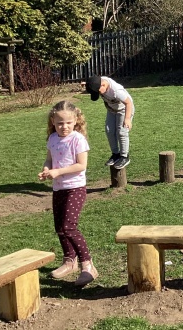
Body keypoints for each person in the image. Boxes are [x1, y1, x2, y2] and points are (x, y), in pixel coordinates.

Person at [38, 100, 98, 287]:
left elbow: (81, 165)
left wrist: (58, 172)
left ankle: (88, 266)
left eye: (68, 123)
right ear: (53, 122)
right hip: (58, 188)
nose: (64, 127)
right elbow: (49, 159)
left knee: (69, 227)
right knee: (60, 227)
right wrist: (46, 170)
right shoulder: (52, 139)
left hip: (75, 188)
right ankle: (69, 261)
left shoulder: (78, 139)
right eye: (60, 123)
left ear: (76, 121)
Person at [85, 75, 135, 169]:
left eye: (98, 92)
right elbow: (94, 81)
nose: (99, 94)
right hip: (112, 109)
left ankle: (124, 156)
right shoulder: (99, 83)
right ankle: (115, 154)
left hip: (124, 109)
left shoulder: (116, 91)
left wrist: (127, 119)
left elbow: (129, 103)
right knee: (109, 130)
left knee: (122, 131)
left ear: (103, 85)